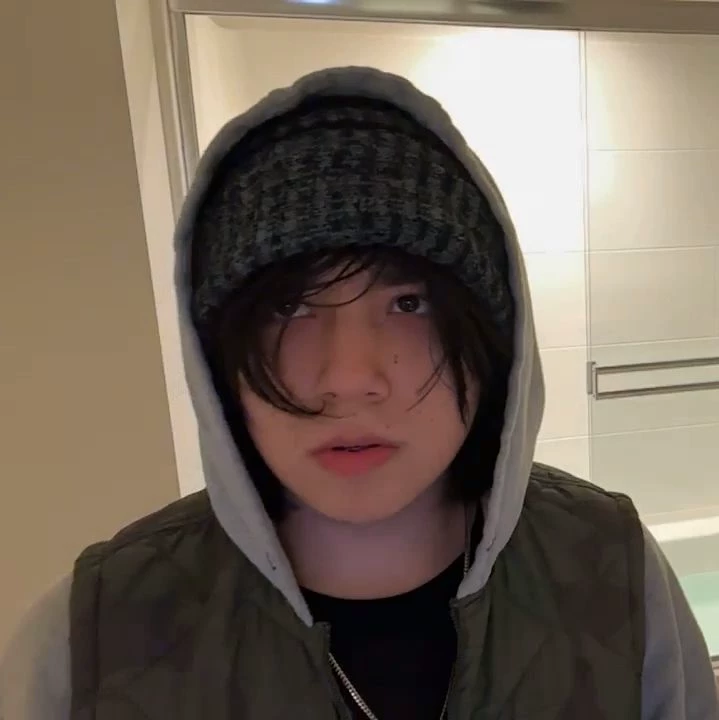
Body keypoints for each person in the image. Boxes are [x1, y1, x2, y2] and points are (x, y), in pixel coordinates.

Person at [1, 66, 716, 720]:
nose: (347, 379)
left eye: (408, 303)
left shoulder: (612, 570)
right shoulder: (94, 635)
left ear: (492, 340)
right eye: (288, 307)